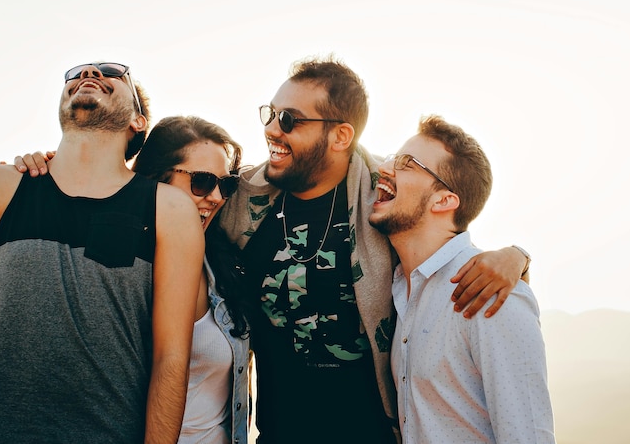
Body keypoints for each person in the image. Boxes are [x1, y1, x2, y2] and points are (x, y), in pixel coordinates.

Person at [217, 55, 531, 444]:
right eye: (270, 113)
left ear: (341, 136)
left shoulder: (385, 197)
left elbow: (446, 230)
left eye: (289, 120)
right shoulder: (238, 201)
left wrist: (516, 256)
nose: (270, 130)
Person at [0, 63, 204, 444]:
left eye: (112, 72)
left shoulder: (169, 211)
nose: (88, 71)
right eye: (76, 73)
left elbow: (170, 357)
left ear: (137, 121)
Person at [369, 115, 555, 443]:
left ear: (444, 200)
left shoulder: (491, 292)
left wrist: (520, 255)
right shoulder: (401, 290)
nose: (386, 169)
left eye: (406, 163)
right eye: (390, 158)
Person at [131, 115, 251, 444]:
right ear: (156, 179)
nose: (216, 197)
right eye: (201, 182)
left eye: (226, 185)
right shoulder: (120, 267)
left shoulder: (222, 267)